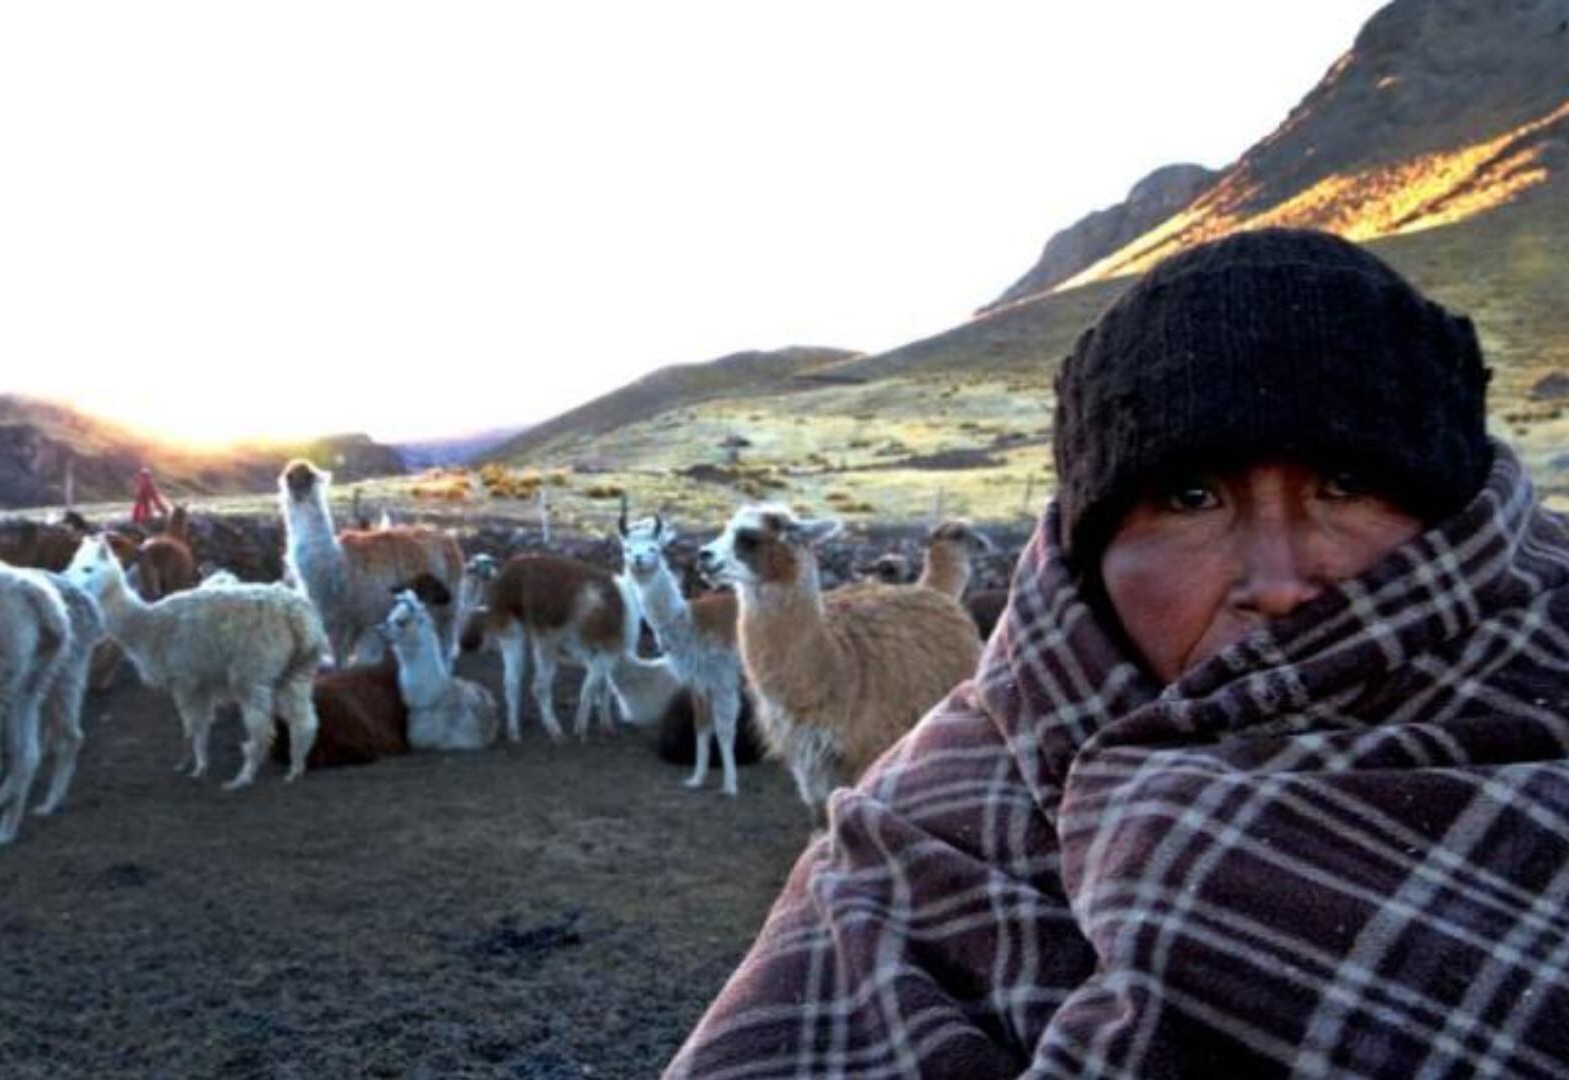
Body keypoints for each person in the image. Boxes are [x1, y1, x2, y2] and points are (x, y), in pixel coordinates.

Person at [667, 228, 1569, 1077]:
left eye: (1348, 484)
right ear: (1089, 558)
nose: (1282, 580)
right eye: (1189, 496)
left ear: (1461, 526)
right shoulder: (927, 833)